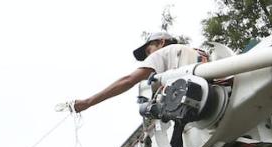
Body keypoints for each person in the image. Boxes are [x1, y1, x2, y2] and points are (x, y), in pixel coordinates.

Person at [72, 31, 207, 113]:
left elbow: (128, 80)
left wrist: (88, 102)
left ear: (161, 42)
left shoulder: (162, 52)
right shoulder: (194, 52)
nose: (149, 57)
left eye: (149, 50)